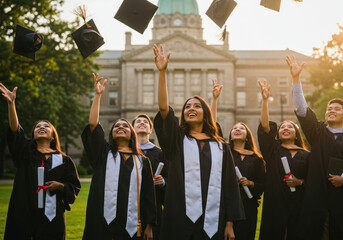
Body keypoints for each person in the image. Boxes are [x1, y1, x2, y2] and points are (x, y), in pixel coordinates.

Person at [153, 44, 244, 240]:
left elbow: (229, 185)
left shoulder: (221, 146)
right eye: (187, 107)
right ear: (183, 115)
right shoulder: (177, 140)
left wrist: (229, 223)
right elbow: (164, 110)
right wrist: (162, 72)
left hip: (213, 218)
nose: (191, 108)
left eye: (197, 106)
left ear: (205, 113)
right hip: (179, 217)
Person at [0, 83, 81, 240]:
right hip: (24, 214)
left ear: (52, 136)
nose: (41, 127)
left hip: (53, 217)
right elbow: (16, 131)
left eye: (46, 126)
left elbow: (74, 185)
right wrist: (11, 104)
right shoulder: (26, 154)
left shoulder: (64, 160)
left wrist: (61, 186)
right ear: (33, 135)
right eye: (38, 127)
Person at [81, 74, 156, 240]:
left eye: (125, 126)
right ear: (111, 133)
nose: (121, 127)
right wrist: (98, 95)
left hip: (132, 226)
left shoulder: (143, 161)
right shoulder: (103, 155)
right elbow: (93, 126)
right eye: (116, 126)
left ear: (132, 134)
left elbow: (149, 196)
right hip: (101, 223)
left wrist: (149, 226)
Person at [287, 55, 343, 240]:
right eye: (329, 109)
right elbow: (302, 109)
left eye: (337, 108)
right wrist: (296, 80)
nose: (331, 110)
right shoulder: (318, 132)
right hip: (317, 197)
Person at [257, 79, 310, 240]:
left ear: (296, 133)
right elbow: (265, 127)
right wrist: (265, 101)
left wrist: (300, 182)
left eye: (290, 127)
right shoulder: (273, 150)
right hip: (276, 205)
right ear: (278, 134)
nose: (285, 128)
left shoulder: (307, 155)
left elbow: (314, 180)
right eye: (282, 127)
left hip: (299, 205)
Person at [132, 113, 168, 240]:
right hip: (130, 206)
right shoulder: (127, 153)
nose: (142, 123)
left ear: (150, 130)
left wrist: (163, 182)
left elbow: (170, 179)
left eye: (146, 122)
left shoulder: (159, 153)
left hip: (155, 206)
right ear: (132, 129)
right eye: (138, 121)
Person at [228, 122, 265, 240]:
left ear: (247, 136)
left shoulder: (256, 158)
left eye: (241, 128)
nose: (237, 129)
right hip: (228, 202)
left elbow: (262, 184)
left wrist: (250, 183)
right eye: (234, 128)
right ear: (230, 135)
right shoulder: (225, 152)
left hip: (248, 205)